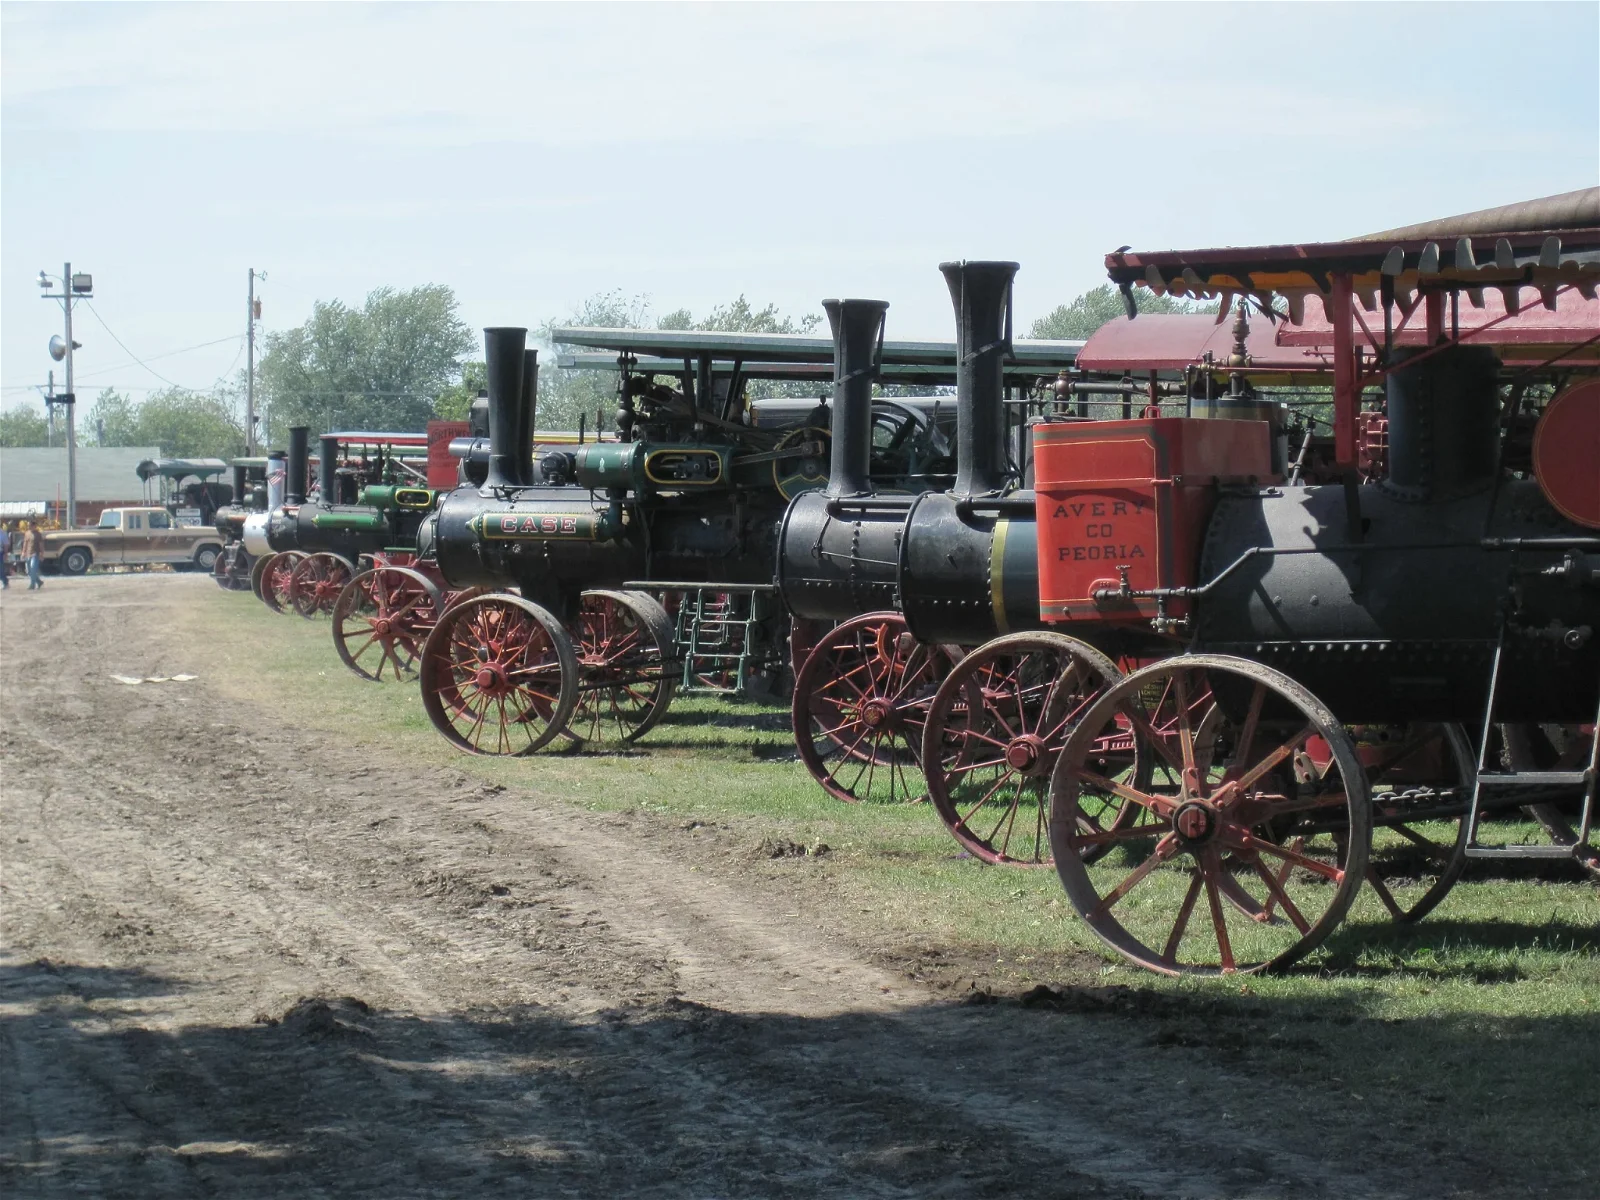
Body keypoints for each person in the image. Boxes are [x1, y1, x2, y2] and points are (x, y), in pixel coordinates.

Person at [22, 522, 43, 590]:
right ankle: (39, 582)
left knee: (33, 568)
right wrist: (23, 552)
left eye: (30, 525)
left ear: (34, 526)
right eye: (28, 525)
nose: (29, 527)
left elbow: (41, 545)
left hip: (35, 554)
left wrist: (42, 554)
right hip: (28, 554)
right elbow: (25, 543)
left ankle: (32, 585)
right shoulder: (27, 533)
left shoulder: (38, 534)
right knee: (29, 571)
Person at [0, 523, 10, 589]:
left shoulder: (2, 533)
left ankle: (5, 581)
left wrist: (6, 554)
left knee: (0, 569)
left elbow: (6, 544)